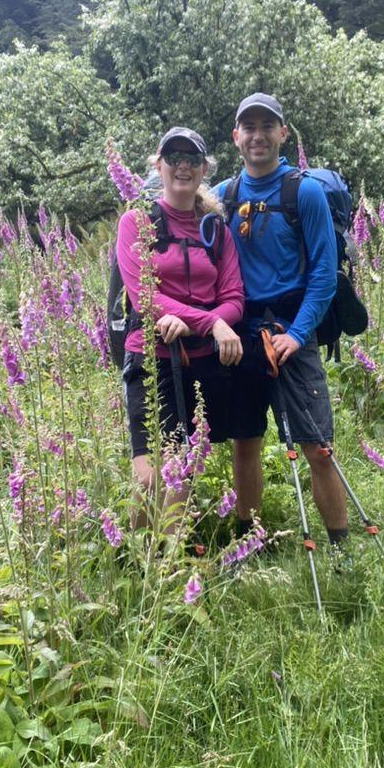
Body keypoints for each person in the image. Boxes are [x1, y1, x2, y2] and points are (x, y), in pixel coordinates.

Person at [215, 93, 350, 552]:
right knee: (245, 442)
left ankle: (340, 549)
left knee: (318, 448)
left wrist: (297, 335)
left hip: (292, 333)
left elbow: (324, 276)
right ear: (236, 137)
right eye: (249, 128)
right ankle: (248, 543)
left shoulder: (303, 192)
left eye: (267, 126)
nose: (258, 136)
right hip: (241, 337)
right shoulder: (223, 197)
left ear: (282, 133)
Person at [116, 127, 245, 519]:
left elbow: (234, 298)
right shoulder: (136, 222)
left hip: (201, 362)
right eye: (174, 158)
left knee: (180, 472)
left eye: (192, 159)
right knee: (150, 478)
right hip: (151, 358)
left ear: (204, 169)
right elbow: (145, 296)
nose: (183, 166)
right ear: (159, 166)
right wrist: (211, 322)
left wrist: (196, 325)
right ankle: (137, 549)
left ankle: (169, 554)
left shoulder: (215, 230)